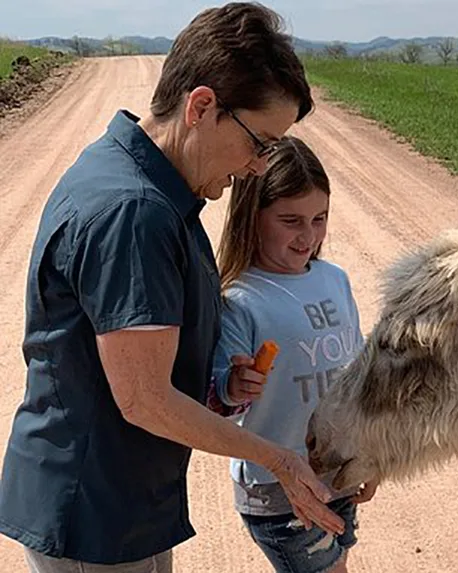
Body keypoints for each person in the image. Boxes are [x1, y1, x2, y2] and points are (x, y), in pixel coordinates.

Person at [0, 3, 345, 572]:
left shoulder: (146, 183)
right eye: (259, 142)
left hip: (122, 503)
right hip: (95, 515)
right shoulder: (133, 212)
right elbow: (145, 399)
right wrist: (278, 460)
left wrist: (223, 385)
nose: (259, 167)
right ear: (202, 106)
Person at [208, 135, 377, 573]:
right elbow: (217, 405)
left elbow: (356, 379)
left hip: (337, 472)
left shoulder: (335, 280)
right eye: (291, 220)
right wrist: (233, 386)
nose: (308, 235)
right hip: (277, 487)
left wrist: (371, 453)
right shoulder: (239, 300)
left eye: (319, 218)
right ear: (252, 216)